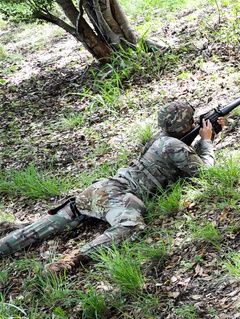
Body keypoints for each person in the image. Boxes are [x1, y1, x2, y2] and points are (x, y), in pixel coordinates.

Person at [0, 101, 221, 273]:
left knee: (38, 229)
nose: (194, 124)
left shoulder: (160, 138)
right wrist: (207, 141)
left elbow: (175, 156)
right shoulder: (174, 146)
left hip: (101, 188)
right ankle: (74, 260)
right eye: (191, 122)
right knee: (131, 227)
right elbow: (206, 173)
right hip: (121, 196)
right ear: (183, 127)